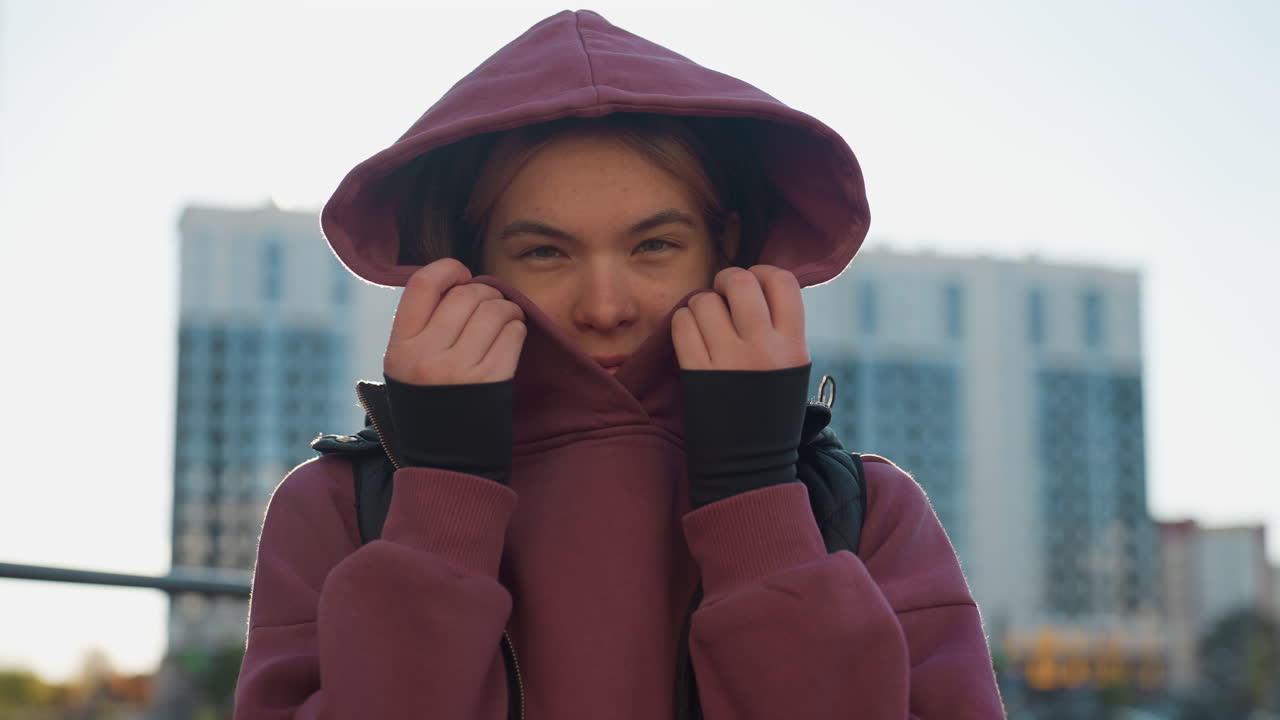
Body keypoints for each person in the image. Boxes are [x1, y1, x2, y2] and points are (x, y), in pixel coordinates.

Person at [233, 10, 1005, 719]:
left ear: (725, 245)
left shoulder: (867, 509)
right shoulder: (336, 507)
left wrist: (758, 505)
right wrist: (439, 508)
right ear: (466, 262)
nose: (606, 306)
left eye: (654, 245)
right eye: (545, 252)